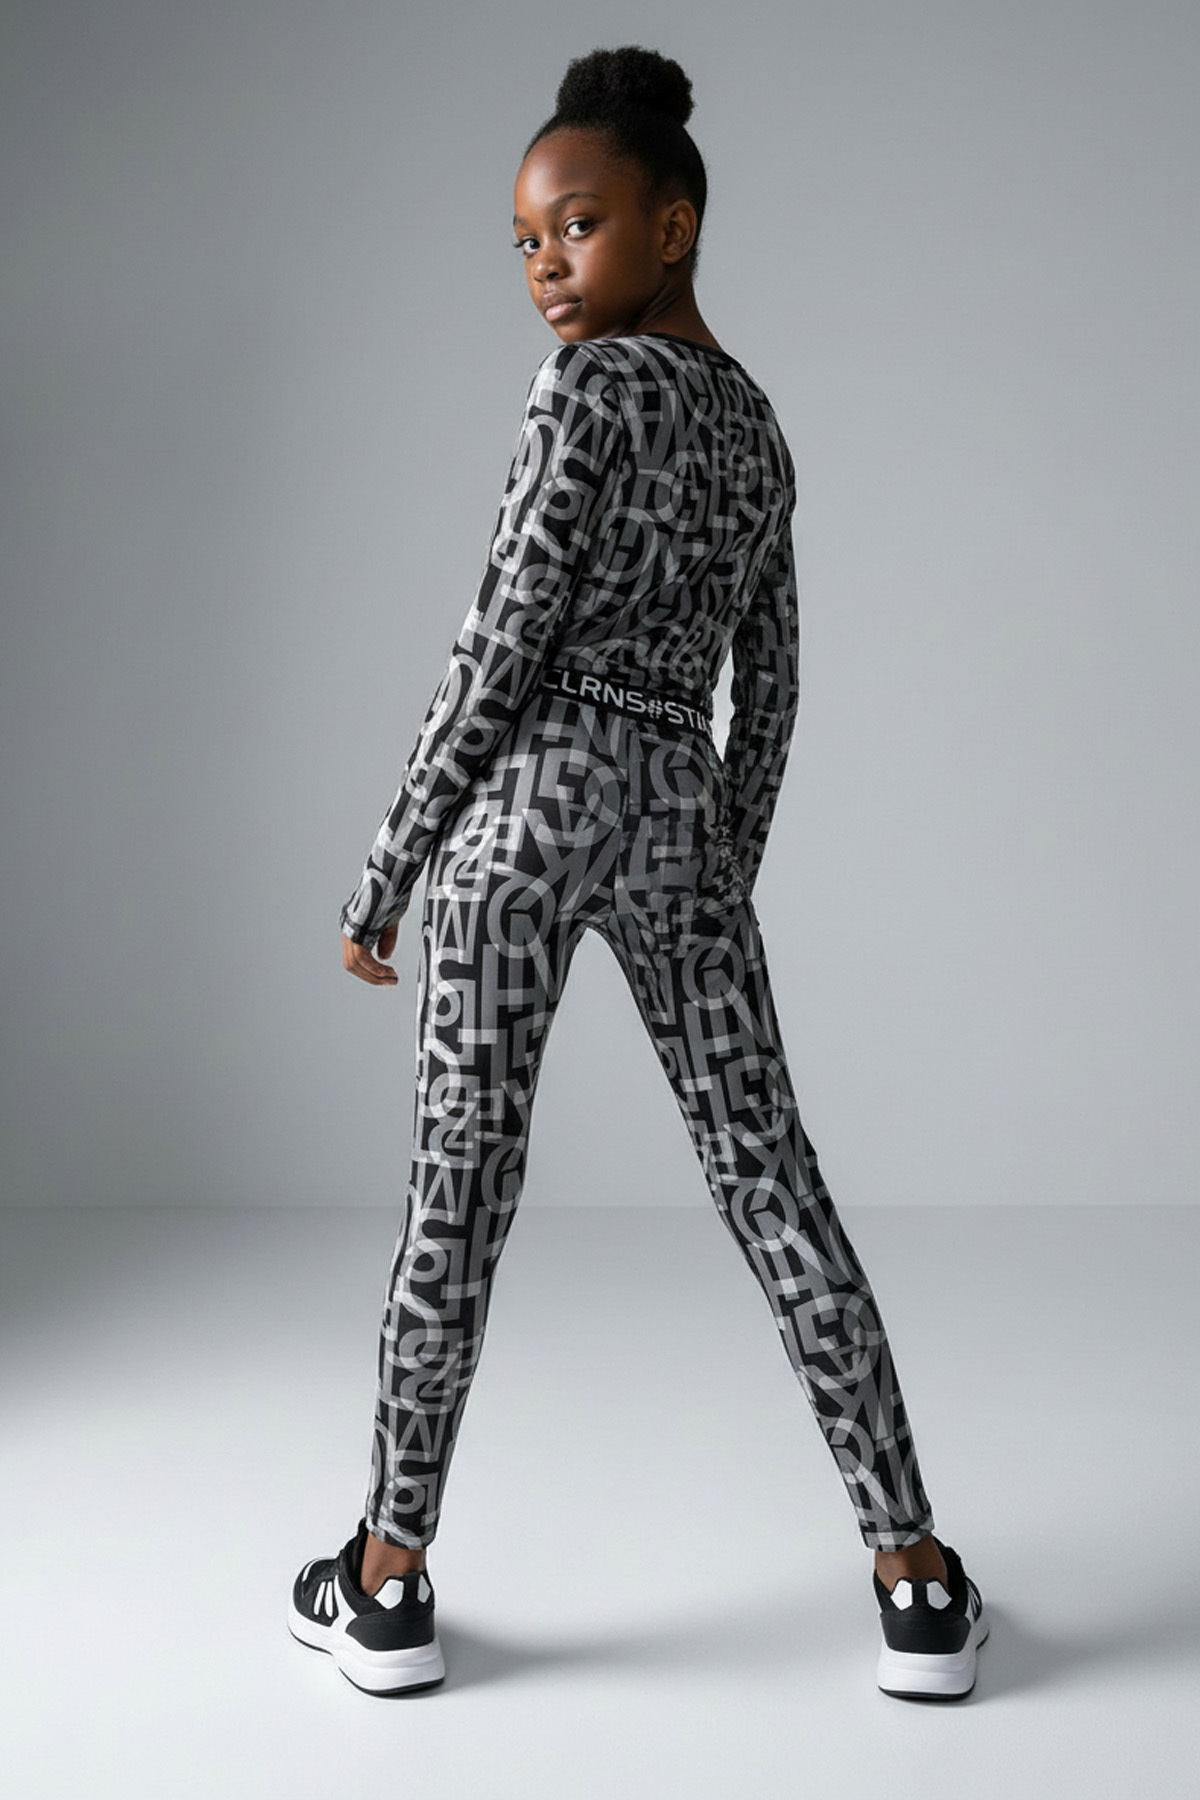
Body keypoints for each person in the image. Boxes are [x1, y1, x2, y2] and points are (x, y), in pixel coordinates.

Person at [287, 44, 987, 1702]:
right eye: (527, 241)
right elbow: (778, 682)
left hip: (525, 805)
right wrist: (719, 857)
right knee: (771, 1178)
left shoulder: (584, 393)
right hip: (677, 800)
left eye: (578, 226)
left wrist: (391, 861)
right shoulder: (759, 429)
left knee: (460, 1186)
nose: (546, 265)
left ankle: (386, 1578)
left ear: (673, 226)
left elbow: (501, 638)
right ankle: (913, 1574)